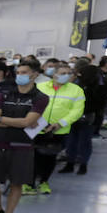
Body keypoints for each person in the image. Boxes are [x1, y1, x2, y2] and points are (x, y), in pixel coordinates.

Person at [0, 57, 47, 213]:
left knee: (16, 183)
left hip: (22, 146)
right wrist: (18, 121)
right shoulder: (4, 93)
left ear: (34, 75)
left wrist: (1, 119)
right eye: (18, 73)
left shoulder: (40, 98)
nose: (20, 76)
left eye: (24, 73)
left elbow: (27, 122)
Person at [27, 65, 84, 194]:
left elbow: (77, 110)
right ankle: (29, 183)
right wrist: (32, 119)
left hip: (58, 130)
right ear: (54, 74)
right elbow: (31, 103)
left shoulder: (76, 90)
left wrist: (61, 123)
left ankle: (44, 182)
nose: (67, 75)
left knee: (50, 157)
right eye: (63, 73)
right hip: (36, 127)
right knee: (32, 157)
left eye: (69, 73)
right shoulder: (40, 87)